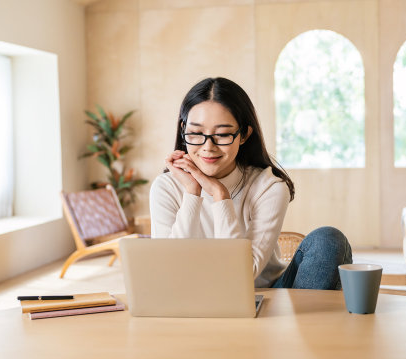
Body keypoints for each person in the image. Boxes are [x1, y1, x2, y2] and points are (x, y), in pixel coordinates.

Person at [149, 77, 352, 289]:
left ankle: (300, 321)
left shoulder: (269, 187)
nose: (208, 146)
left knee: (327, 240)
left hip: (266, 293)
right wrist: (192, 193)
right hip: (194, 295)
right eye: (197, 133)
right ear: (184, 130)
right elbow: (169, 270)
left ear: (244, 134)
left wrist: (220, 195)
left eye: (223, 134)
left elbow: (242, 275)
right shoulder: (165, 187)